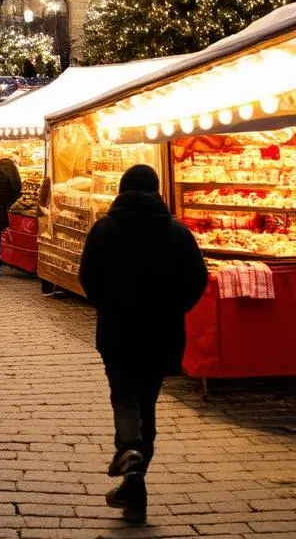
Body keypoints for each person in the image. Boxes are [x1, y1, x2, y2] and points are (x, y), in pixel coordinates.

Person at [79, 165, 208, 525]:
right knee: (147, 401)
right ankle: (135, 481)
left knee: (123, 393)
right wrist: (173, 308)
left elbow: (88, 277)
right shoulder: (177, 232)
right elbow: (197, 280)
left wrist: (108, 304)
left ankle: (129, 456)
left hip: (118, 330)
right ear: (156, 191)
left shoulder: (105, 229)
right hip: (161, 332)